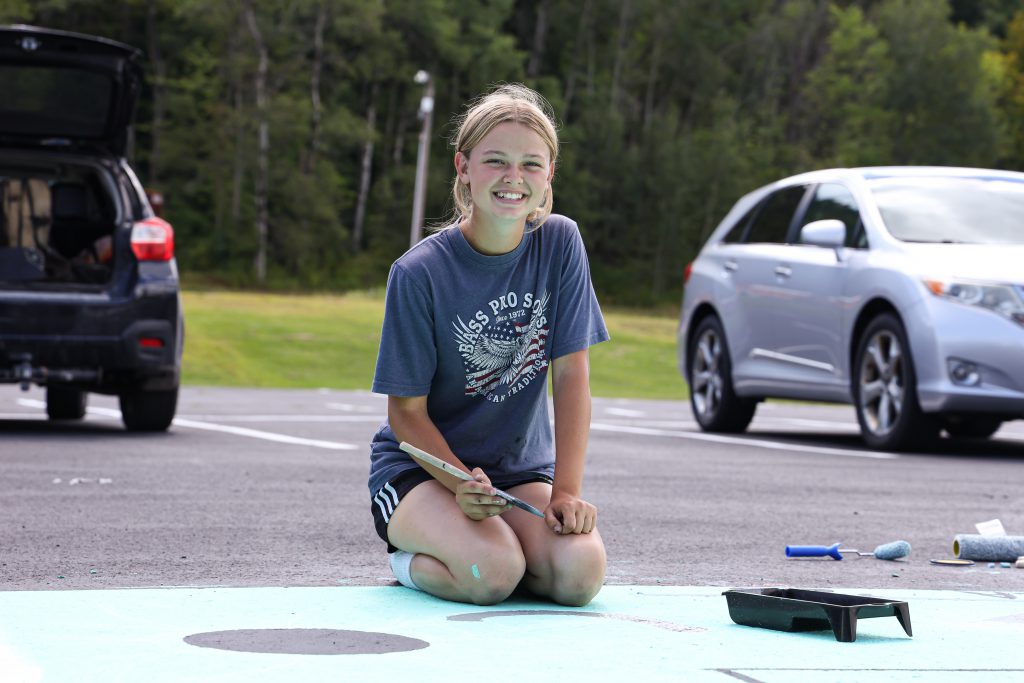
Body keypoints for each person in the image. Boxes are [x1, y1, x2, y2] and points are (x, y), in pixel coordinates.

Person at [368, 83, 609, 607]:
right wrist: (458, 484)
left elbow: (571, 376)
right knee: (492, 572)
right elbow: (405, 414)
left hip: (517, 475)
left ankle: (502, 551)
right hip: (424, 474)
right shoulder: (418, 274)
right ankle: (409, 559)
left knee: (579, 573)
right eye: (495, 160)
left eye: (530, 165)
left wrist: (566, 491)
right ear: (463, 167)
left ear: (549, 177)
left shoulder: (561, 243)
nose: (512, 178)